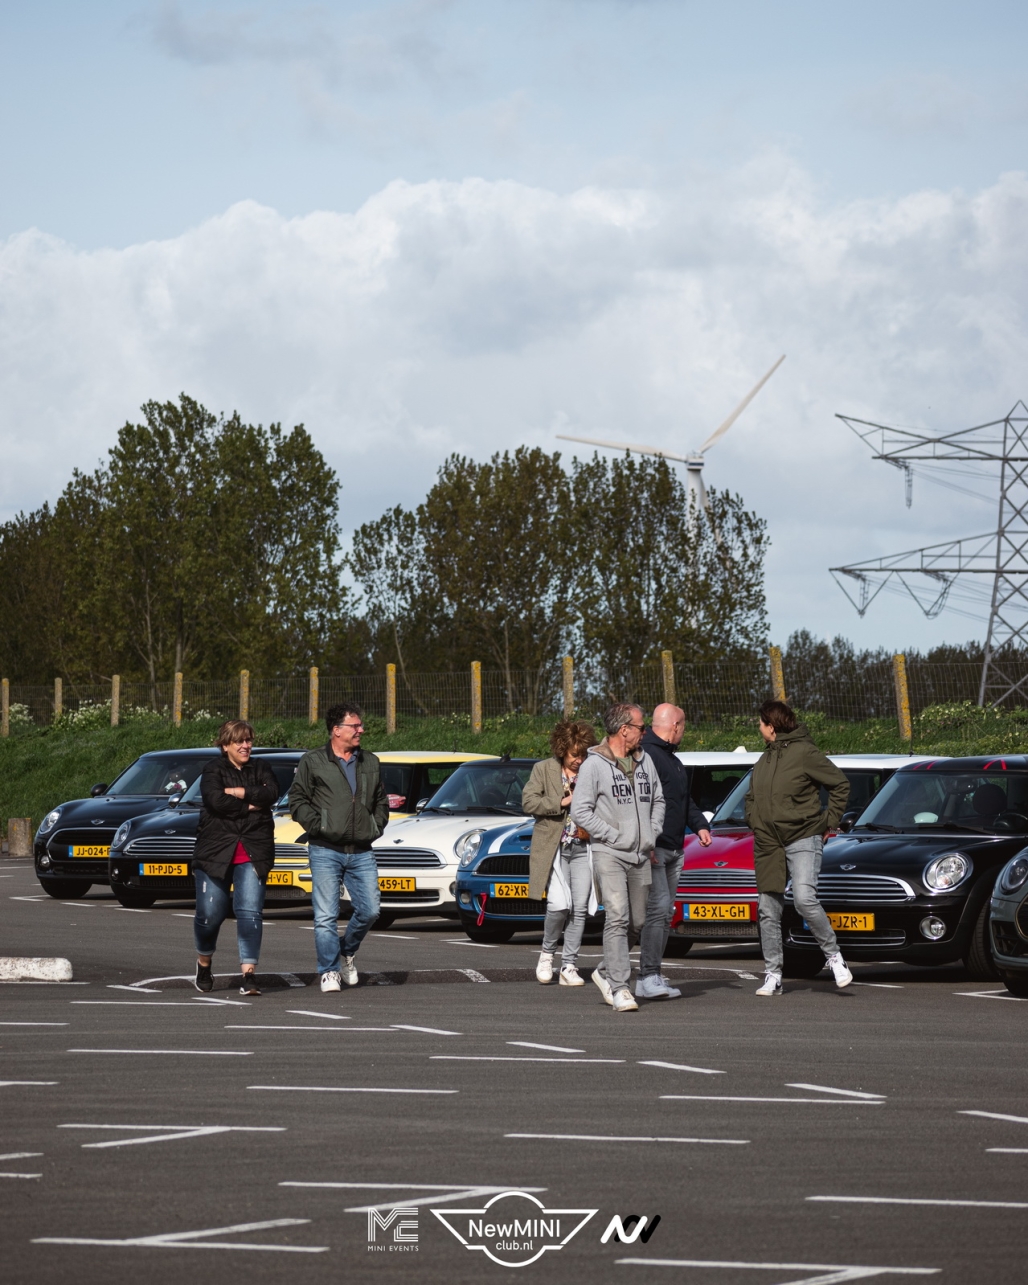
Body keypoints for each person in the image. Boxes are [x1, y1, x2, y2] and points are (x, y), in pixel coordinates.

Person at [745, 699, 852, 996]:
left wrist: (828, 822)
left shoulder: (805, 752)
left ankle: (834, 957)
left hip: (803, 836)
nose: (759, 728)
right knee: (768, 909)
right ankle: (773, 975)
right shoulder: (764, 759)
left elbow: (840, 784)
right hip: (769, 842)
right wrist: (754, 820)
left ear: (771, 726)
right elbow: (751, 796)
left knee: (804, 899)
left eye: (761, 723)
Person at [570, 702, 665, 1013]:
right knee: (617, 916)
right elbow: (580, 811)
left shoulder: (645, 760)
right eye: (641, 727)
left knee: (637, 922)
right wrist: (611, 835)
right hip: (609, 852)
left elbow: (658, 800)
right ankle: (620, 987)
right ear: (624, 729)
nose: (644, 732)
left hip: (641, 853)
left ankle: (605, 970)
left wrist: (651, 832)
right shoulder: (594, 765)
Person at [289, 702, 390, 993]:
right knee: (325, 916)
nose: (361, 730)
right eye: (355, 726)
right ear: (336, 730)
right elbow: (297, 800)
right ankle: (329, 971)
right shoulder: (313, 760)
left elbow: (381, 801)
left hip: (361, 850)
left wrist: (375, 826)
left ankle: (346, 951)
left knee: (370, 911)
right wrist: (319, 825)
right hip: (324, 849)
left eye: (360, 725)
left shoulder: (370, 761)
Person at [192, 720, 279, 996]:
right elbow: (215, 801)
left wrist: (239, 792)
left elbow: (271, 793)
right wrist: (251, 805)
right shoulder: (213, 770)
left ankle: (249, 975)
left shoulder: (261, 767)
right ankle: (204, 962)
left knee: (250, 913)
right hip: (215, 852)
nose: (245, 746)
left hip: (254, 850)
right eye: (239, 741)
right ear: (225, 745)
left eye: (248, 740)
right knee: (210, 915)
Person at [636, 703, 713, 1000]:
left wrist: (700, 825)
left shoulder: (673, 760)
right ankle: (647, 975)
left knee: (664, 912)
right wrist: (647, 843)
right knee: (657, 911)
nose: (684, 732)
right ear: (676, 726)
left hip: (674, 849)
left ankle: (649, 974)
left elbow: (683, 800)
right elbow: (642, 803)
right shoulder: (647, 756)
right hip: (656, 848)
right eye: (684, 726)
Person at [523, 719, 599, 987]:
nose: (579, 760)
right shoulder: (543, 769)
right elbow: (528, 802)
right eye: (574, 754)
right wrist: (563, 801)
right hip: (554, 849)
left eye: (583, 754)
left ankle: (569, 966)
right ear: (561, 749)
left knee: (580, 908)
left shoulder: (592, 771)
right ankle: (547, 955)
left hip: (583, 848)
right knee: (558, 905)